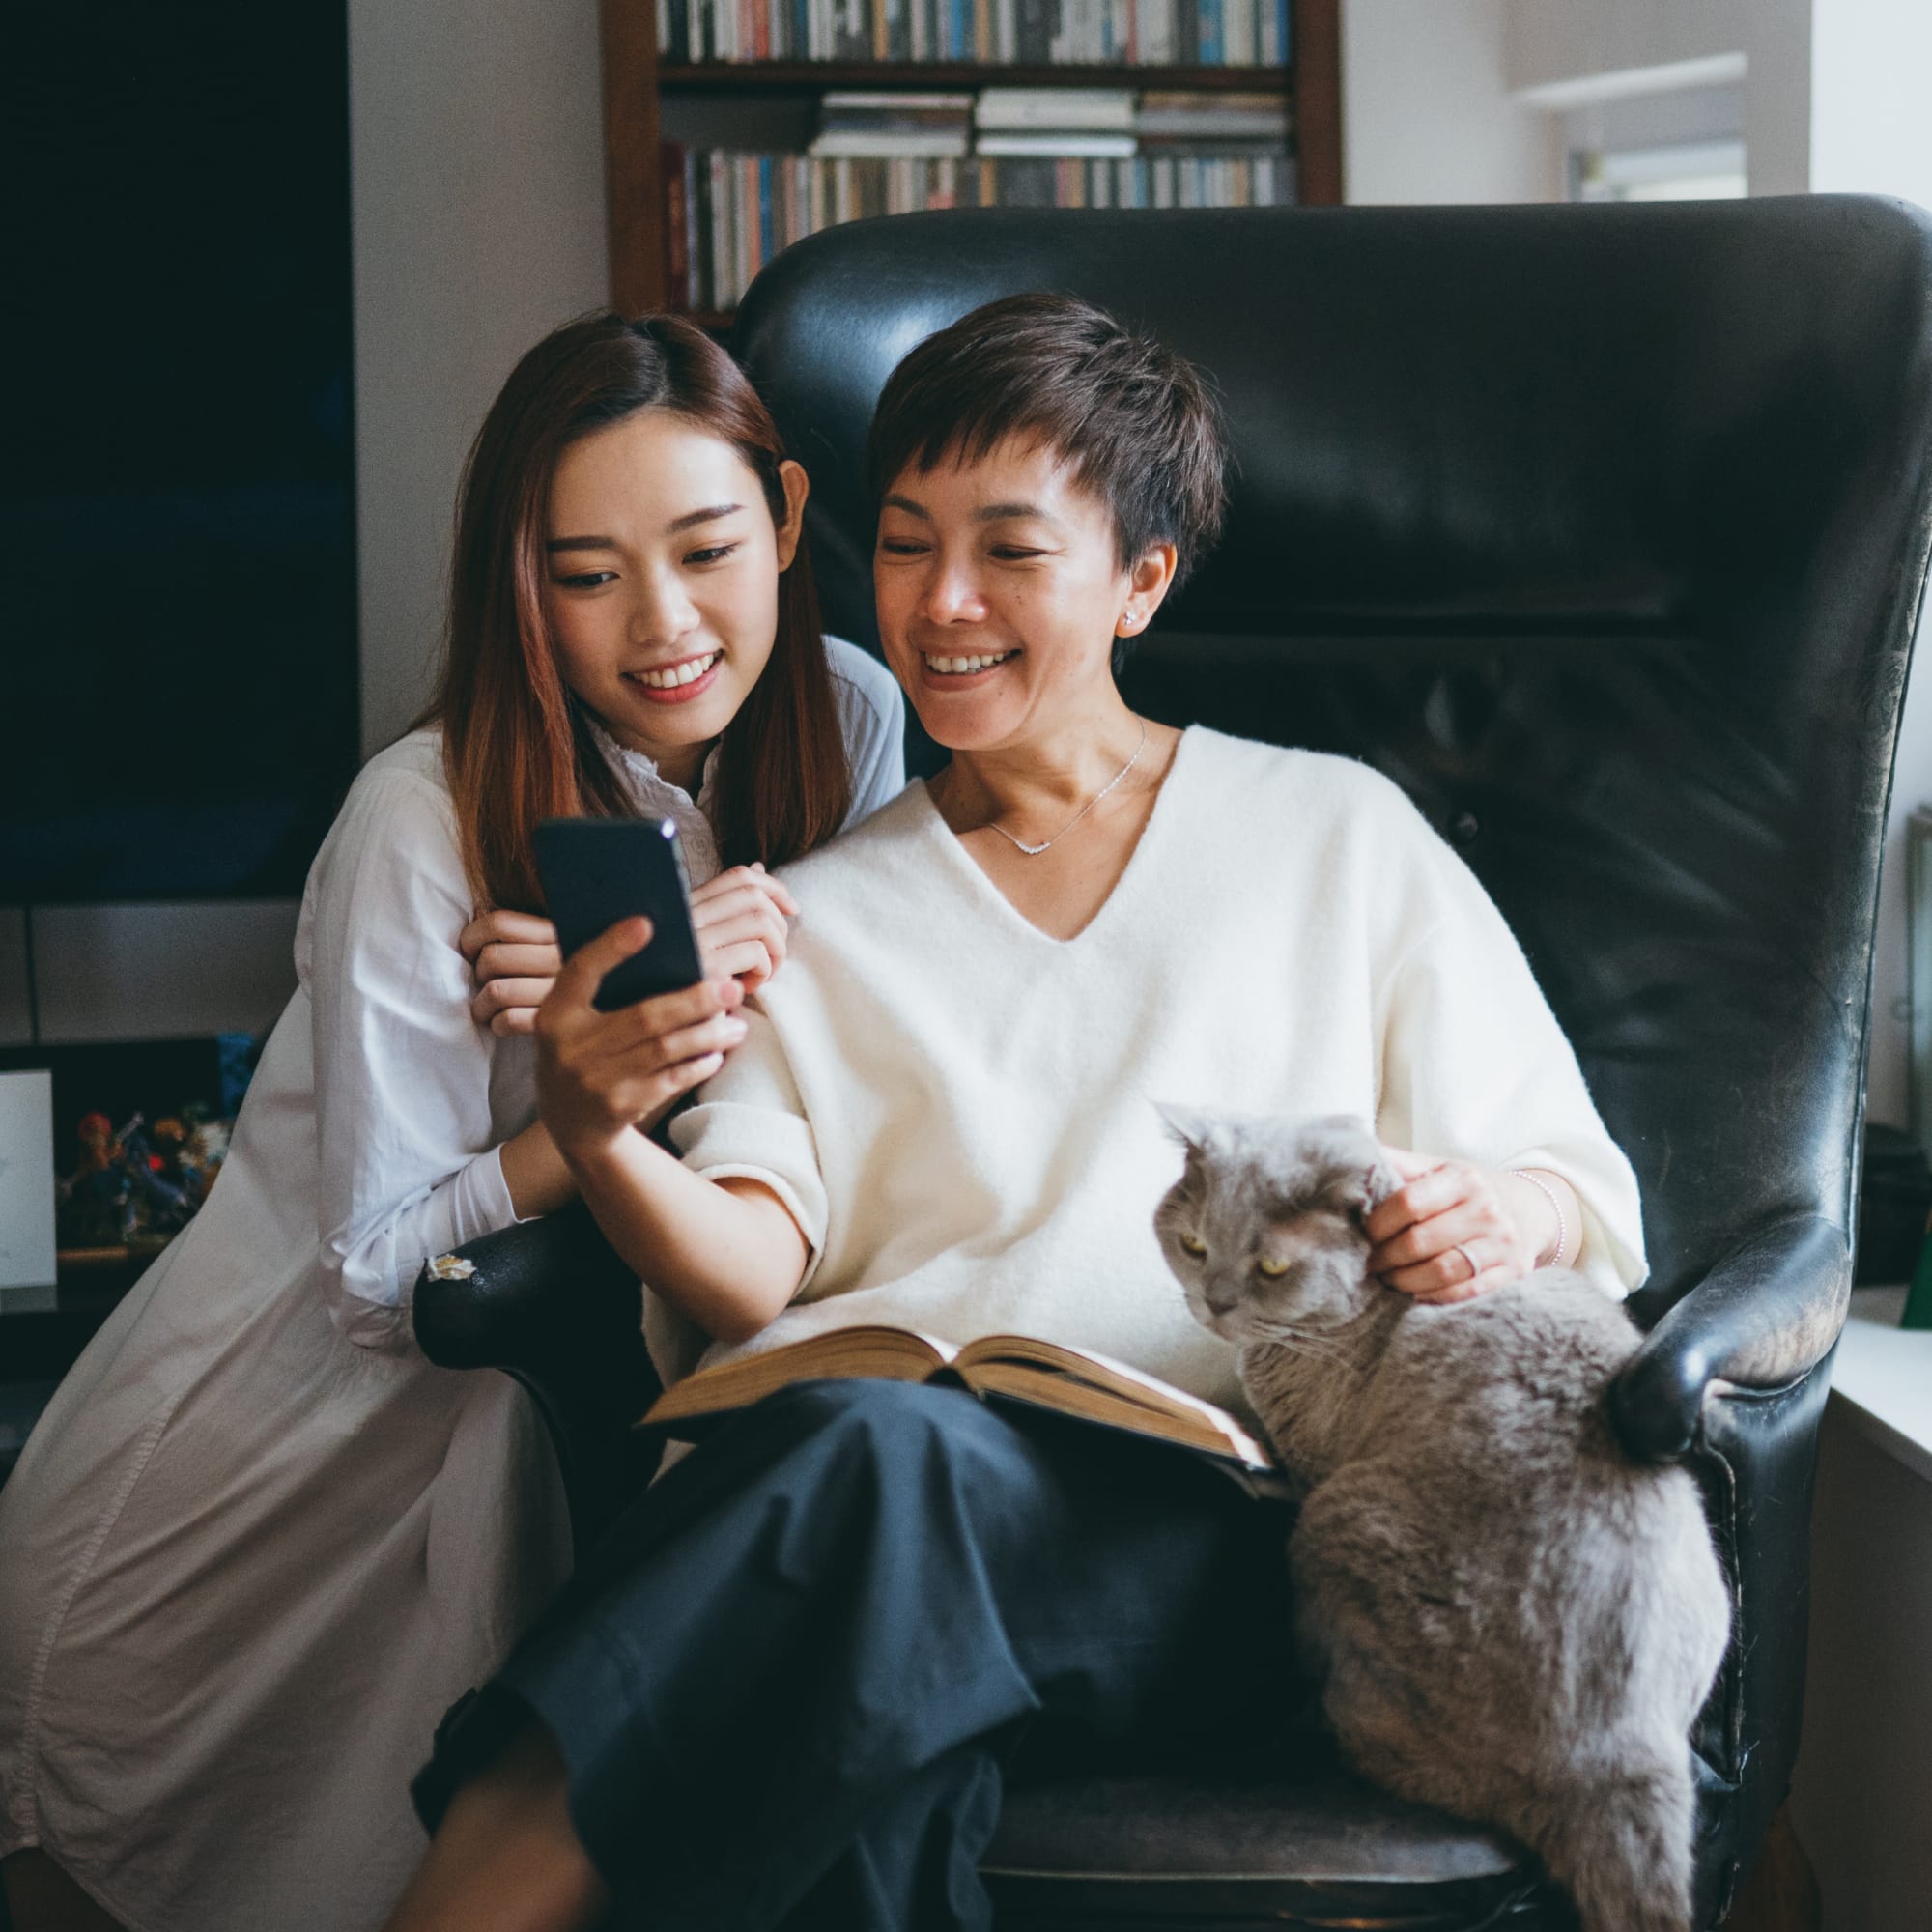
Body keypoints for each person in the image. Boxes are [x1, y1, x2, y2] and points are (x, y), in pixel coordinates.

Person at [381, 292, 1649, 1932]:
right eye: (905, 547)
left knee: (869, 1486)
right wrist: (600, 1125)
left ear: (1141, 579)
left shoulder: (1340, 836)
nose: (943, 603)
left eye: (1010, 551)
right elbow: (747, 1276)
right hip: (872, 1521)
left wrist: (1500, 1212)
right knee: (872, 1699)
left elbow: (1583, 1196)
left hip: (1219, 1539)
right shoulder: (814, 916)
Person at [0, 313, 905, 1932]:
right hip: (253, 1475)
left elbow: (863, 1050)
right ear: (519, 584)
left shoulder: (855, 717)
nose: (665, 624)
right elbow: (365, 1277)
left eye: (706, 548)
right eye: (587, 574)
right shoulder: (417, 821)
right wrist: (590, 1094)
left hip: (516, 1456)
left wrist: (661, 967)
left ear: (783, 517)